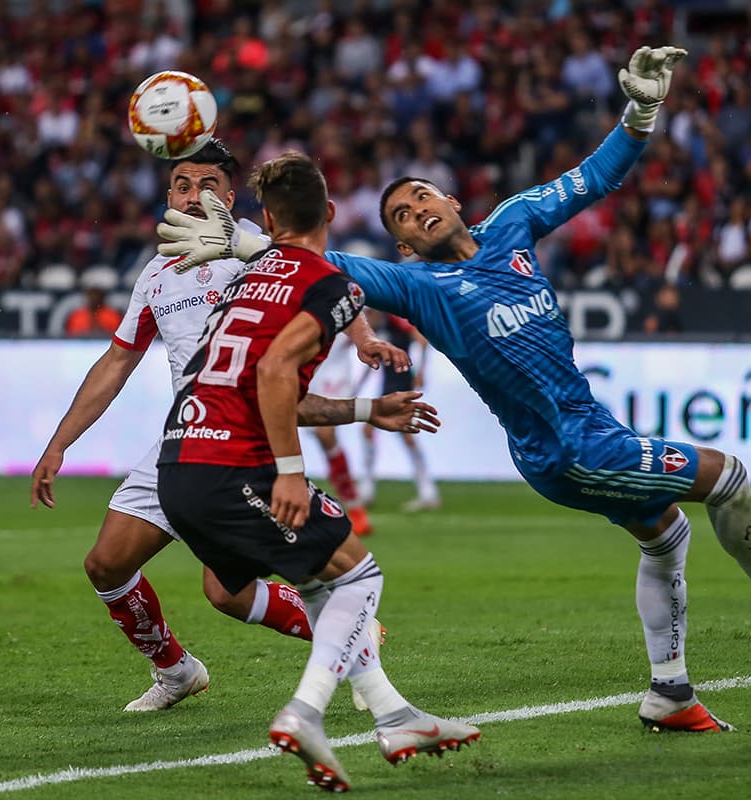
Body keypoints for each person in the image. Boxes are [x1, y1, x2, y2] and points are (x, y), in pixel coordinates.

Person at [158, 46, 751, 734]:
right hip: (565, 449)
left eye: (423, 195)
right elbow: (324, 261)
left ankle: (669, 692)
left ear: (453, 201)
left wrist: (641, 111)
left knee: (666, 534)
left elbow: (593, 178)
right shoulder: (420, 287)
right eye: (400, 214)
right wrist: (247, 243)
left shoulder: (514, 223)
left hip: (592, 428)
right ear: (402, 245)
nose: (416, 209)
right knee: (726, 476)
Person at [30, 140, 425, 713]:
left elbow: (326, 273)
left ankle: (352, 640)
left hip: (245, 442)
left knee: (227, 592)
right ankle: (176, 671)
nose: (194, 197)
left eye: (207, 185)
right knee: (107, 564)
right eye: (182, 187)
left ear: (230, 194)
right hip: (181, 441)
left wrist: (363, 338)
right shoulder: (157, 273)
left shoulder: (253, 247)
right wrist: (58, 444)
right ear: (167, 196)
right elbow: (117, 362)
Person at [157, 152, 479, 792]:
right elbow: (275, 376)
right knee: (360, 574)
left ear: (268, 218)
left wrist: (366, 408)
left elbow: (265, 384)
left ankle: (395, 715)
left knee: (318, 582)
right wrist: (289, 474)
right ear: (330, 213)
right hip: (231, 467)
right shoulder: (328, 283)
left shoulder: (248, 277)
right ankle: (305, 713)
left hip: (179, 466)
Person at [357, 311, 441, 512]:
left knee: (399, 434)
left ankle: (426, 491)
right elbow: (374, 359)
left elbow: (421, 339)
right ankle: (426, 491)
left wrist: (421, 371)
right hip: (388, 386)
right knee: (384, 433)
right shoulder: (378, 329)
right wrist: (359, 384)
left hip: (401, 384)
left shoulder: (395, 321)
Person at [305, 337, 375, 536]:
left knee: (325, 432)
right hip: (306, 369)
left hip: (334, 369)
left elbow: (369, 315)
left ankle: (355, 507)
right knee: (322, 440)